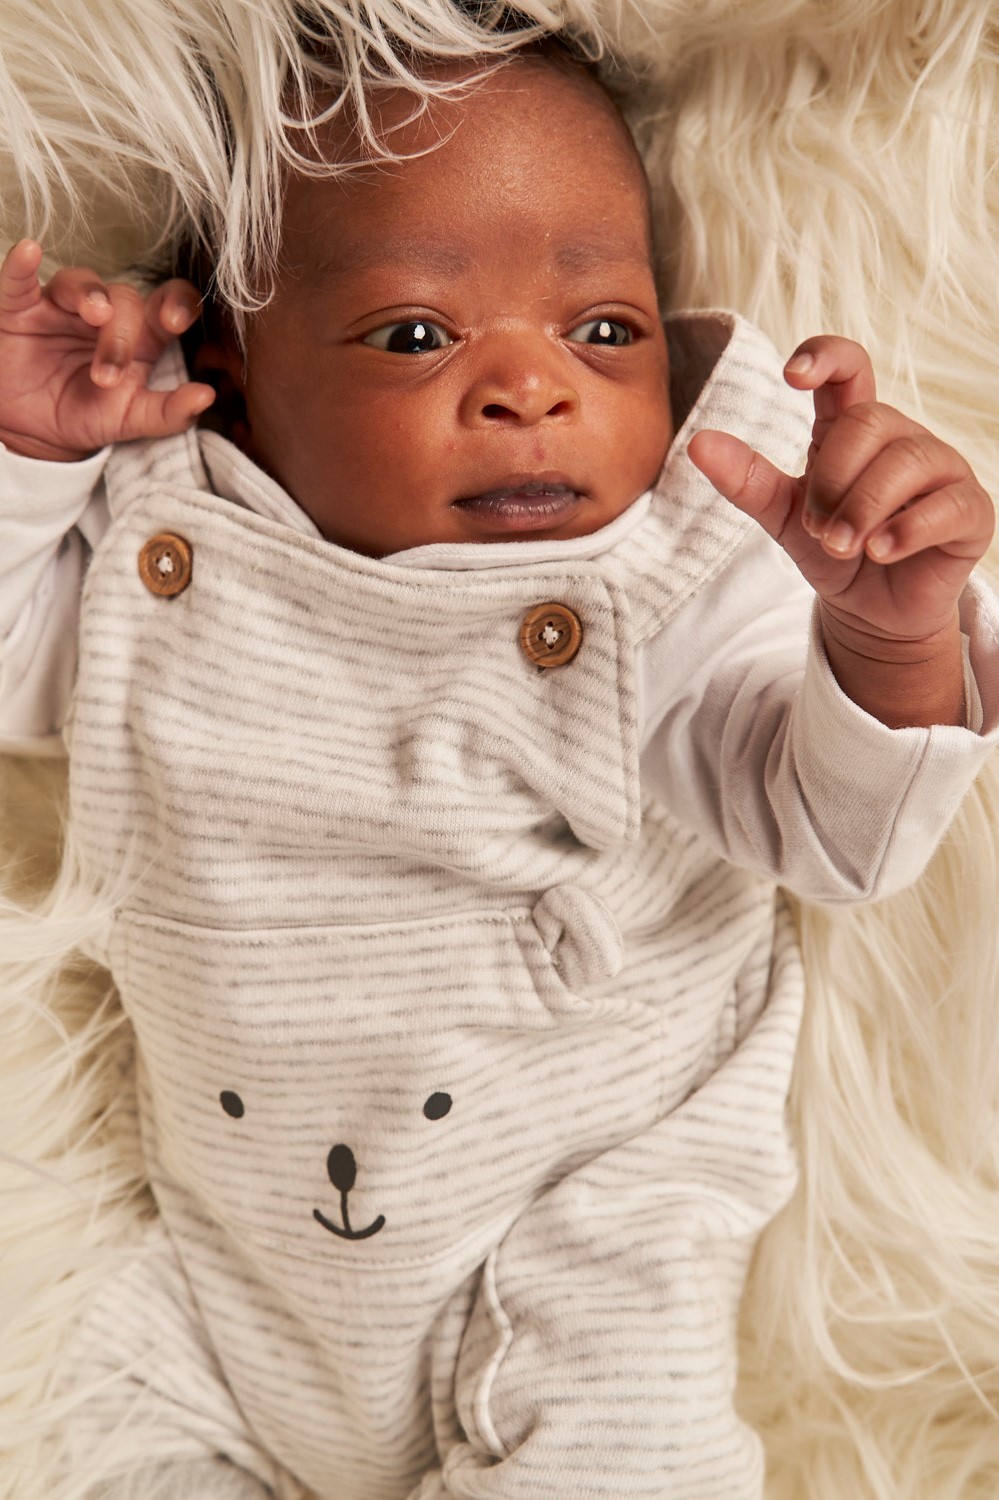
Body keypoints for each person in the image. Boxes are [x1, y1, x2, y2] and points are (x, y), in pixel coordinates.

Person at [0, 39, 996, 1500]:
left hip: (582, 1237)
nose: (532, 385)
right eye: (416, 334)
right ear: (234, 374)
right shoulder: (170, 546)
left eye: (603, 330)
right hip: (223, 1293)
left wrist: (888, 637)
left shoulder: (666, 570)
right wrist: (27, 461)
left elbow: (839, 836)